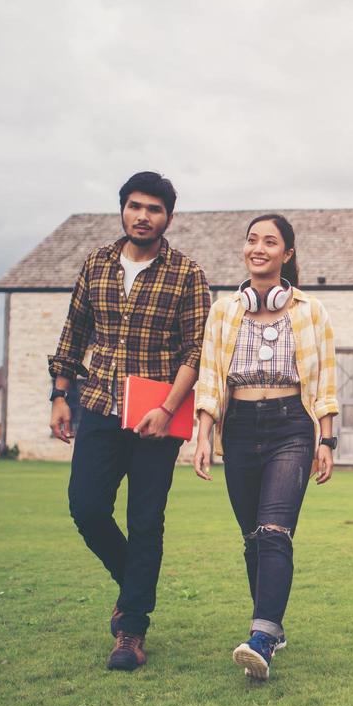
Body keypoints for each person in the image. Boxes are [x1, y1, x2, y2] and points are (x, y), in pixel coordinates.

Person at [48, 171, 211, 671]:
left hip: (156, 418)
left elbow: (196, 350)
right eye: (136, 206)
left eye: (154, 209)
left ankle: (131, 630)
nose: (143, 216)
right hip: (97, 403)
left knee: (145, 522)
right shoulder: (95, 264)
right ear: (123, 209)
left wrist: (167, 409)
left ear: (168, 217)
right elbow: (74, 333)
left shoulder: (187, 274)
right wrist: (60, 394)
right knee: (87, 508)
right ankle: (135, 585)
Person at [193, 215, 338, 681]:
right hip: (238, 428)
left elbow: (326, 380)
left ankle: (261, 638)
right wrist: (203, 432)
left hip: (291, 426)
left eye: (270, 242)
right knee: (253, 538)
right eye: (252, 240)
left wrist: (327, 438)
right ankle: (273, 624)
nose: (259, 248)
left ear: (287, 254)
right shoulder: (223, 311)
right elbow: (211, 377)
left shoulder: (310, 312)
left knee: (275, 531)